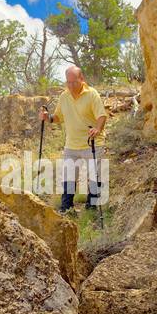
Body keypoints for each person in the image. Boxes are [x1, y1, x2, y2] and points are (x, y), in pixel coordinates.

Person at [40, 66, 107, 214]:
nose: (71, 86)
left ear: (81, 79)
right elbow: (58, 117)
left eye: (74, 82)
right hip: (71, 145)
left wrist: (97, 128)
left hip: (92, 143)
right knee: (69, 178)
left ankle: (92, 209)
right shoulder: (64, 96)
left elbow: (101, 115)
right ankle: (66, 209)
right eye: (68, 82)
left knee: (94, 178)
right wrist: (48, 118)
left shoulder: (92, 94)